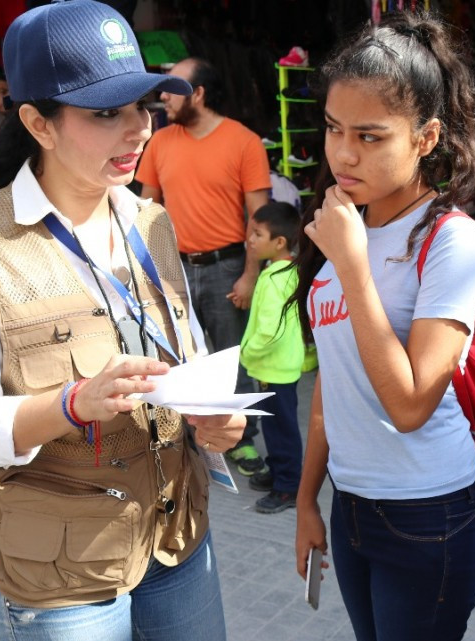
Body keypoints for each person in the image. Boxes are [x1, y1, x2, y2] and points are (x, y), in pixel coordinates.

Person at [0, 2, 245, 637]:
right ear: (38, 123)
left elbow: (188, 349)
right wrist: (70, 404)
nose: (139, 129)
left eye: (142, 106)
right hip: (61, 576)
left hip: (176, 539)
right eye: (105, 113)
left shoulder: (151, 221)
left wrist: (214, 417)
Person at [290, 13, 475, 640]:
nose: (343, 153)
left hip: (428, 513)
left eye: (371, 136)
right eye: (333, 128)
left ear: (426, 137)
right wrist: (306, 498)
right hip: (351, 505)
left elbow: (409, 406)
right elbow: (334, 379)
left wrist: (353, 268)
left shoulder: (451, 240)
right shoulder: (344, 223)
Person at [136, 57, 272, 476]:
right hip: (172, 270)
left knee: (232, 359)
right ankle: (189, 443)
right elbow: (144, 211)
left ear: (198, 94)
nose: (163, 97)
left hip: (227, 267)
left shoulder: (244, 142)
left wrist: (250, 274)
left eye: (173, 88)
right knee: (179, 361)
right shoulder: (159, 142)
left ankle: (242, 442)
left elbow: (260, 218)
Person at [239, 201, 304, 514]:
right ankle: (278, 470)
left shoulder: (275, 278)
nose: (250, 240)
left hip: (274, 367)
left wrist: (247, 351)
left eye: (258, 234)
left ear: (279, 242)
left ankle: (288, 487)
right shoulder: (285, 270)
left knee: (281, 431)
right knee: (275, 426)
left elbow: (270, 330)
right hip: (277, 366)